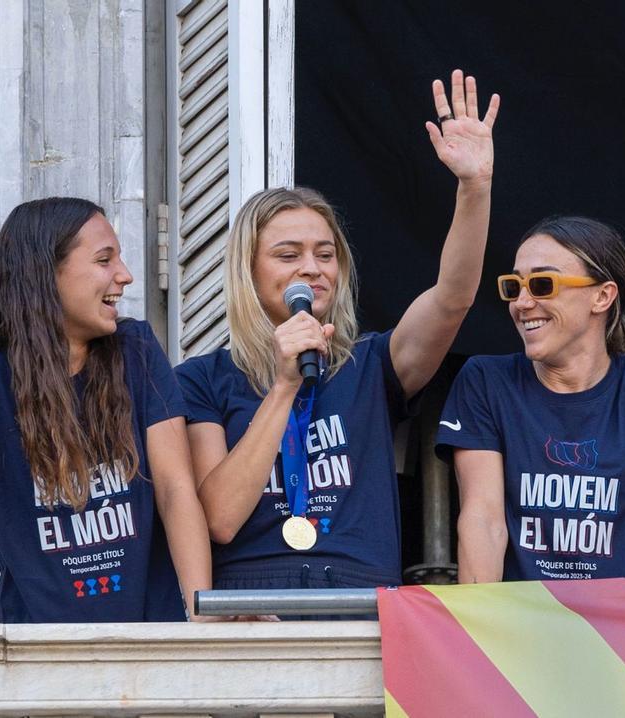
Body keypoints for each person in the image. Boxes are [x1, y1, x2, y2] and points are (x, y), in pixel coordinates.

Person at [176, 70, 499, 592]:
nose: (312, 268)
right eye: (288, 255)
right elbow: (220, 518)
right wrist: (283, 387)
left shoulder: (371, 364)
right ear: (248, 272)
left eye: (325, 255)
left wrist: (474, 188)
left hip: (361, 602)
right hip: (254, 606)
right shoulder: (201, 380)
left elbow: (453, 297)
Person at [0, 197, 213, 639]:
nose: (124, 276)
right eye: (104, 260)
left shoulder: (137, 350)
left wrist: (204, 616)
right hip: (36, 651)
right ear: (45, 274)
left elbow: (175, 489)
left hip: (153, 642)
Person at [436, 216, 625, 584]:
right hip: (520, 626)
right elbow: (482, 522)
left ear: (602, 296)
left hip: (620, 627)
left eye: (542, 284)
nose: (523, 302)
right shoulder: (485, 381)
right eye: (514, 287)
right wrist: (482, 633)